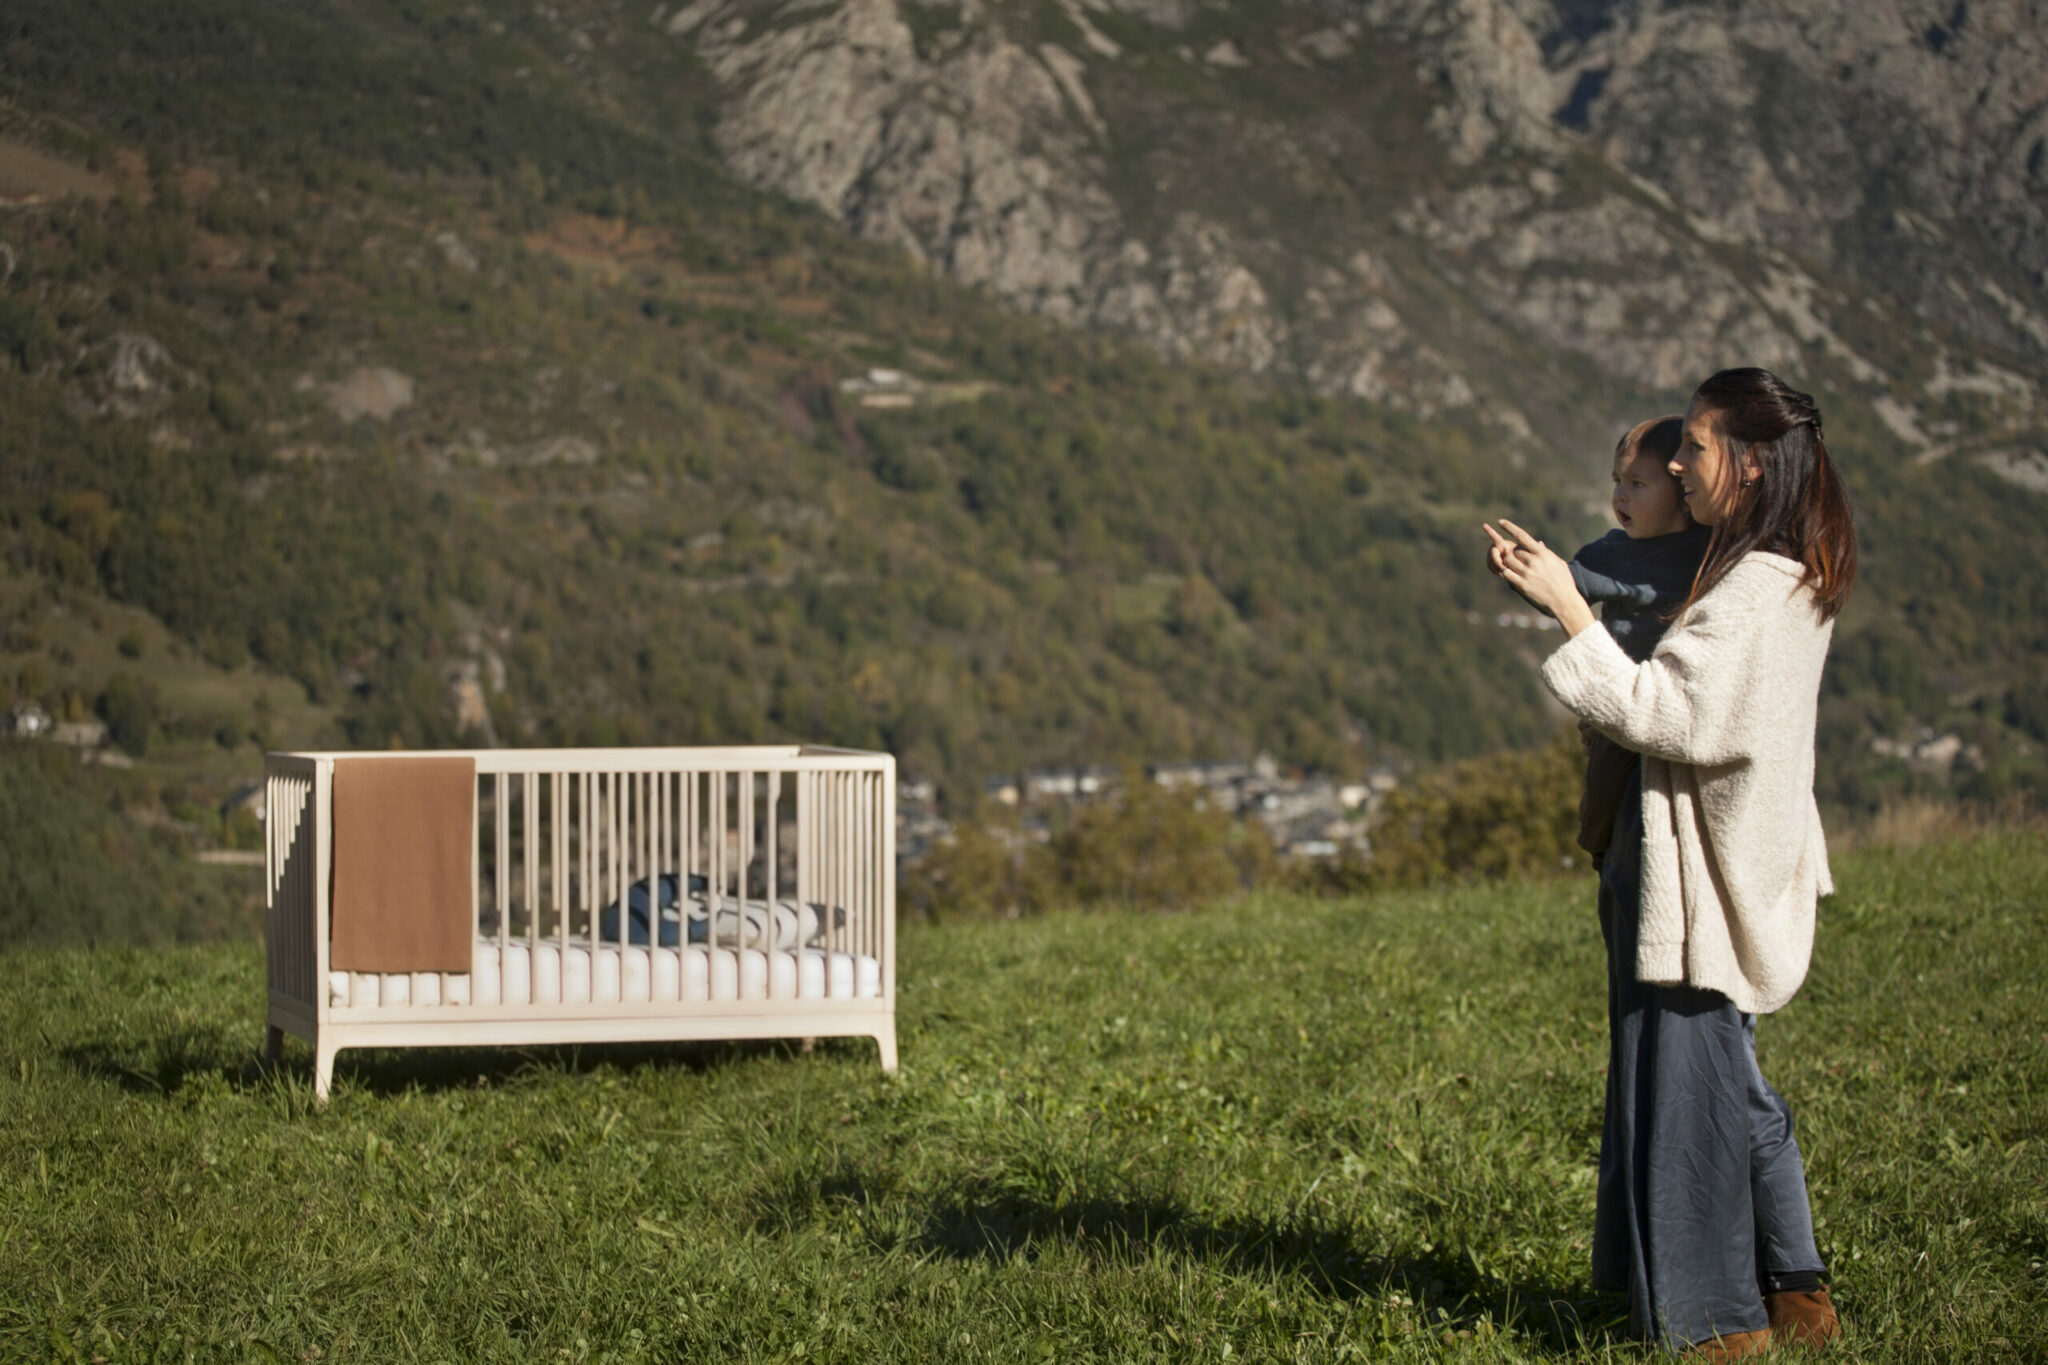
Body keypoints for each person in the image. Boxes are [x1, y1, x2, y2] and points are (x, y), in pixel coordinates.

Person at [1482, 368, 1856, 1360]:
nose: (1676, 463)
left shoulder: (1759, 584)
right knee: (1713, 1085)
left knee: (1687, 1097)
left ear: (1744, 461)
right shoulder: (1759, 566)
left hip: (1690, 871)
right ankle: (1789, 1287)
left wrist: (1568, 609)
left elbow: (1671, 716)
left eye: (1690, 446)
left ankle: (1715, 1325)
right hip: (1682, 857)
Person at [1493, 416, 1710, 867]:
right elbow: (1560, 592)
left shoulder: (1715, 550)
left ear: (1681, 490)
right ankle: (1599, 848)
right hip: (1622, 705)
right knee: (1609, 795)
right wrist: (1516, 571)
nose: (1620, 496)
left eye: (1637, 483)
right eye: (1616, 482)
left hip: (1678, 708)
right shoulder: (1611, 555)